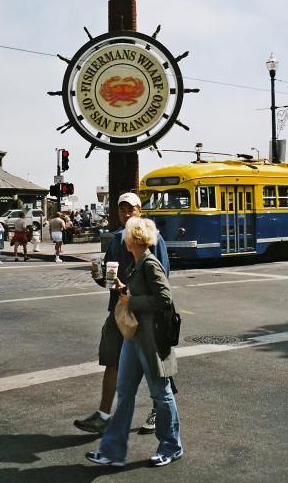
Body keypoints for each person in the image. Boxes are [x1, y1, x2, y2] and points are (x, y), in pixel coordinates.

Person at [85, 216, 182, 468]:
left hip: (151, 338)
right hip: (134, 336)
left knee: (161, 394)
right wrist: (119, 287)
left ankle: (171, 446)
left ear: (133, 239)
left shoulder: (150, 263)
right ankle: (112, 451)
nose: (123, 239)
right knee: (125, 392)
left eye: (126, 235)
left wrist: (133, 302)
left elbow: (164, 297)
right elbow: (136, 292)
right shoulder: (137, 263)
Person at [74, 192, 170, 436]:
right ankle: (103, 415)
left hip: (145, 314)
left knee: (154, 365)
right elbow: (110, 281)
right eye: (122, 210)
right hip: (119, 311)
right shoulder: (117, 240)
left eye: (131, 209)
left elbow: (162, 283)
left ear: (140, 211)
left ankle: (159, 410)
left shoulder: (154, 238)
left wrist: (133, 296)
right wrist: (100, 279)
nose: (126, 214)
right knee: (112, 359)